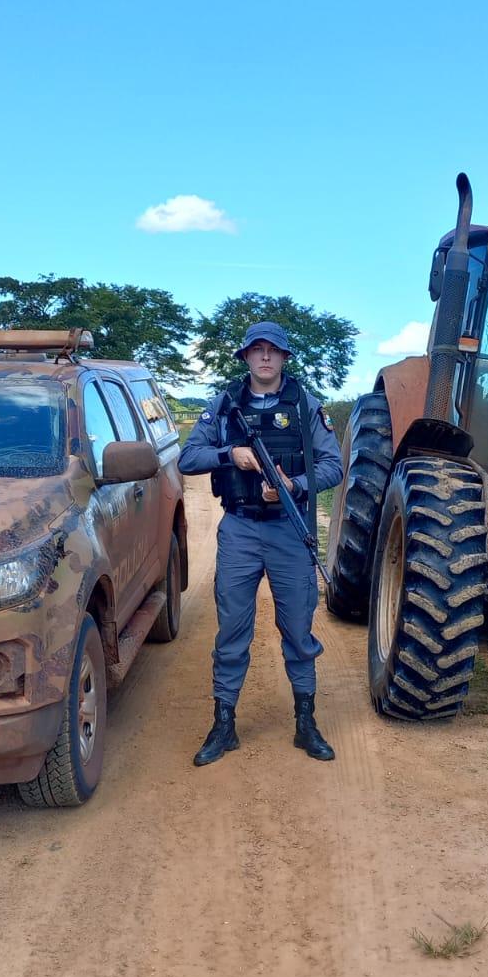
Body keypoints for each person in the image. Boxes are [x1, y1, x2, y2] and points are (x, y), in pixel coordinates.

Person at [177, 321, 344, 766]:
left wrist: (296, 486)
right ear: (246, 357)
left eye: (274, 350)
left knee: (297, 628)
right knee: (232, 628)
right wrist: (229, 455)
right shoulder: (225, 405)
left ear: (285, 358)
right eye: (257, 350)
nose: (265, 357)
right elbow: (189, 457)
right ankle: (224, 723)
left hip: (289, 531)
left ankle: (305, 722)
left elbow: (334, 465)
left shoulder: (305, 405)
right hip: (241, 530)